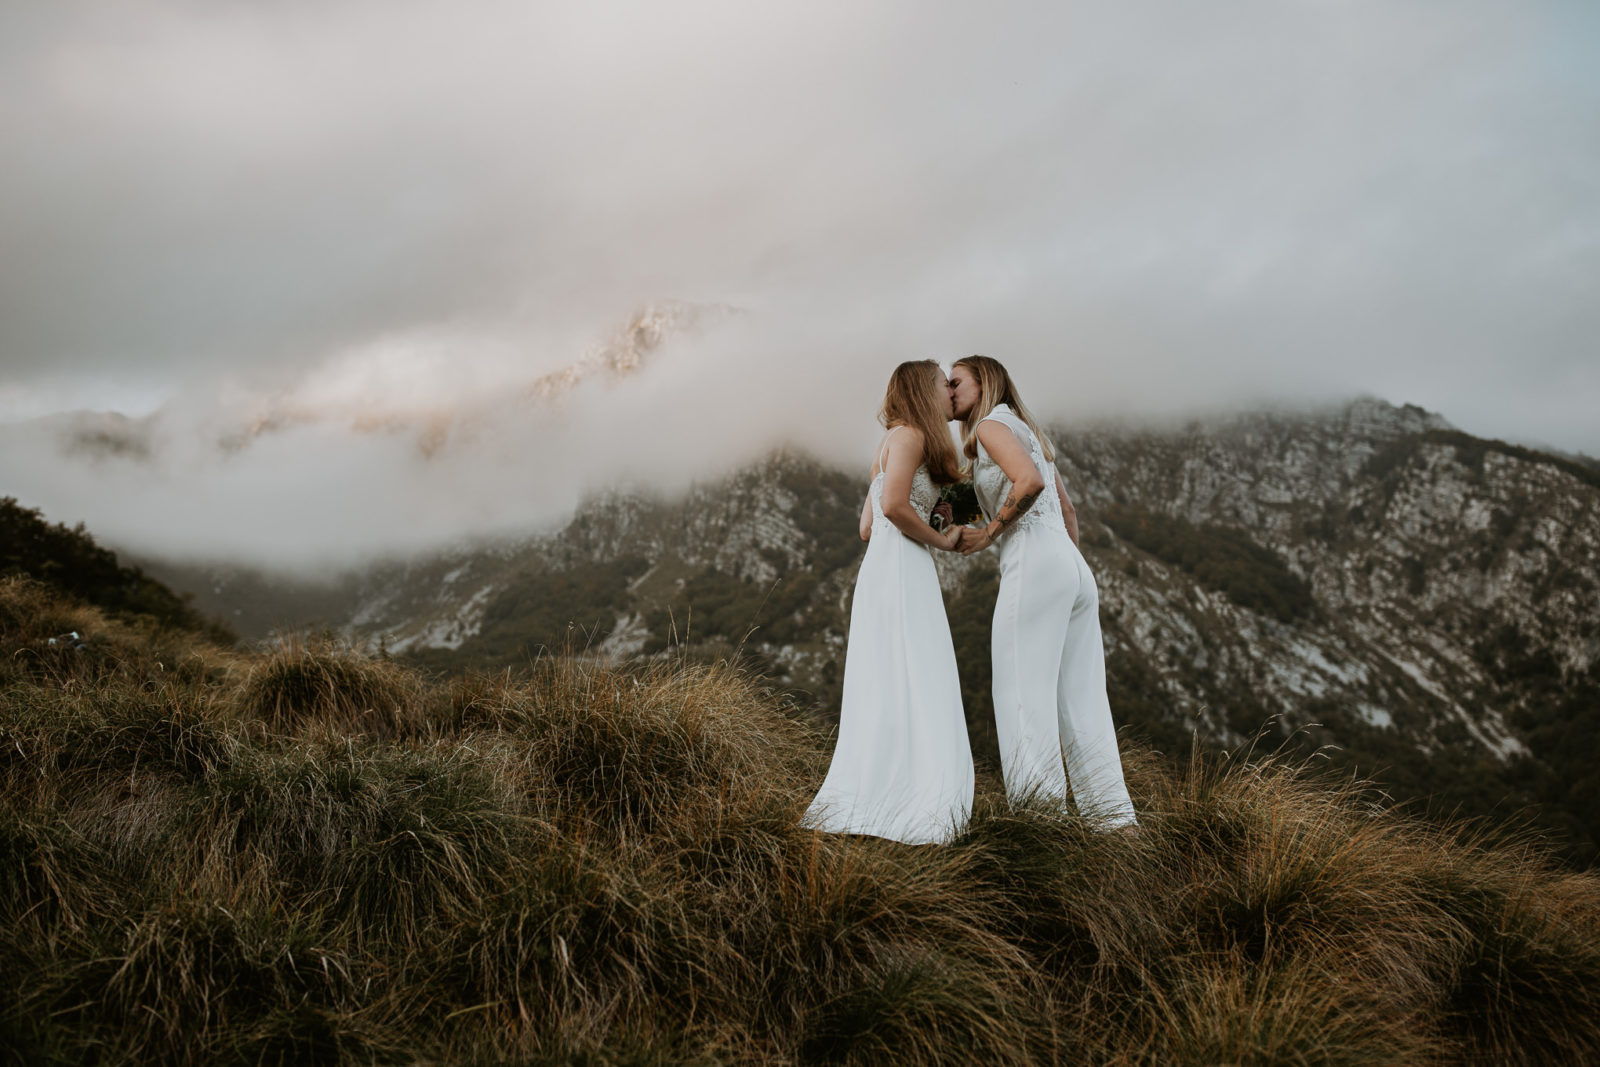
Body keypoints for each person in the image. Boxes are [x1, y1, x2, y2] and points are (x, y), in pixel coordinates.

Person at [948, 355, 1138, 829]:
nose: (948, 390)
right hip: (1070, 565)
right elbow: (1068, 510)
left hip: (1033, 559)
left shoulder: (991, 426)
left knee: (1020, 691)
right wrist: (1066, 572)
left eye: (956, 382)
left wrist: (991, 534)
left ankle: (1042, 825)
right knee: (1083, 698)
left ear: (983, 382)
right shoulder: (1026, 430)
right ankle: (1112, 823)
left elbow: (1027, 483)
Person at [803, 360, 974, 844]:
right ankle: (922, 794)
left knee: (888, 677)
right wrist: (941, 541)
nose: (950, 392)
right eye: (945, 384)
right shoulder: (913, 435)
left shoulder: (889, 443)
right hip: (904, 567)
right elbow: (897, 507)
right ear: (925, 389)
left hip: (881, 569)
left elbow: (866, 526)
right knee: (922, 672)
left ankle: (883, 790)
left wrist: (935, 513)